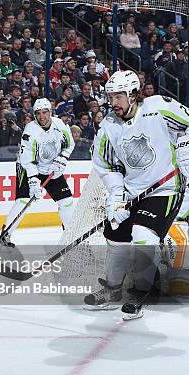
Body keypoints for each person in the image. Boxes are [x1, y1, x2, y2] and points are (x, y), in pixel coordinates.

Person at [85, 70, 188, 319]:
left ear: (133, 94)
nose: (113, 103)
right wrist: (116, 196)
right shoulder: (108, 127)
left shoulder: (159, 108)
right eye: (110, 97)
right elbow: (105, 165)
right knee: (116, 238)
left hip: (166, 188)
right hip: (133, 190)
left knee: (143, 235)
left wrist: (184, 150)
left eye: (119, 96)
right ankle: (112, 288)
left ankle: (144, 290)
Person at [0, 98, 75, 248]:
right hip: (28, 166)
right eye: (38, 113)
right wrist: (33, 180)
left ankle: (70, 235)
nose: (42, 116)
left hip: (51, 167)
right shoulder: (30, 131)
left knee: (66, 201)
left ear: (50, 112)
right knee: (24, 200)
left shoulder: (60, 125)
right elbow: (26, 159)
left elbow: (69, 144)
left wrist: (63, 158)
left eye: (45, 112)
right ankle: (6, 234)